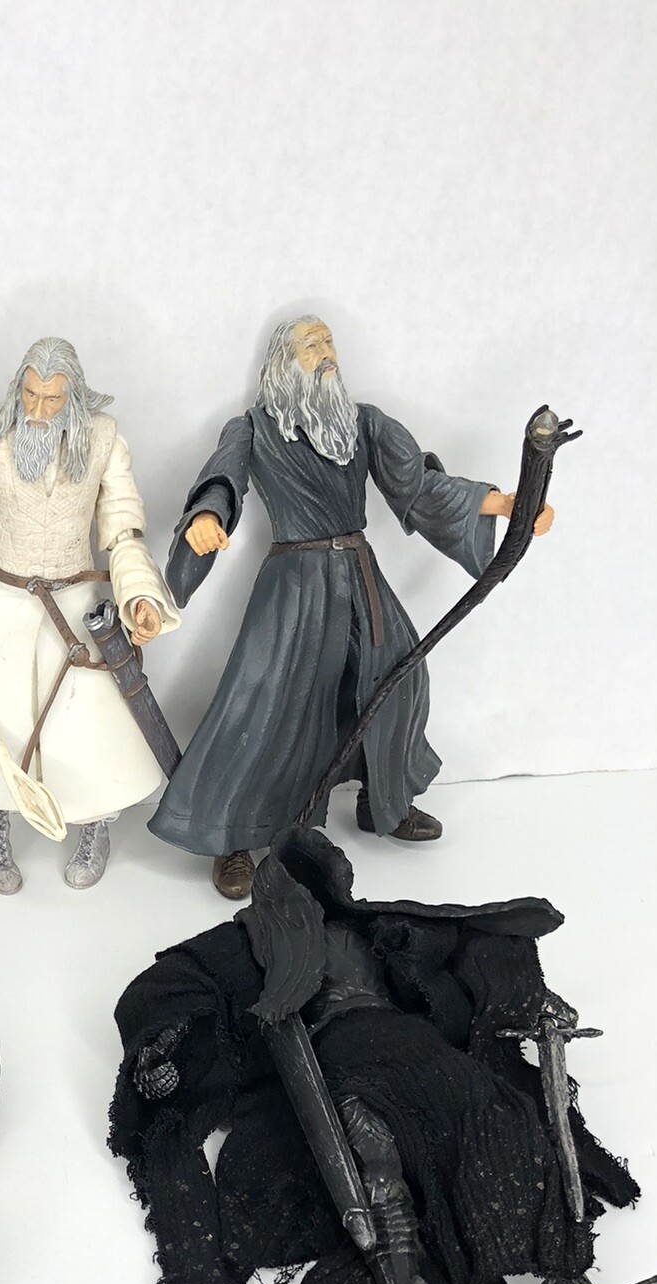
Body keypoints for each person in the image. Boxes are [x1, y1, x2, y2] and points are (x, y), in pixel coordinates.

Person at [108, 827, 657, 1284]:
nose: (310, 892)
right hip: (342, 1056)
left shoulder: (373, 928)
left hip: (414, 1044)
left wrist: (530, 998)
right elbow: (173, 986)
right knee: (376, 1155)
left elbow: (464, 954)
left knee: (503, 1124)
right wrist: (163, 1047)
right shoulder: (248, 945)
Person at [149, 316, 553, 899]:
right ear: (282, 363)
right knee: (262, 700)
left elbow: (418, 488)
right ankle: (229, 836)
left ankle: (384, 801)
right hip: (295, 585)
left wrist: (504, 505)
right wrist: (207, 518)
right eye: (309, 345)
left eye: (328, 341)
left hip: (360, 575)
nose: (325, 353)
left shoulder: (362, 424)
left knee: (399, 679)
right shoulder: (254, 428)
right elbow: (222, 479)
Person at [0, 337, 180, 891]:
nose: (37, 409)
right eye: (30, 394)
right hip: (5, 599)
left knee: (88, 720)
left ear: (72, 396)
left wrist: (139, 597)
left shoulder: (103, 440)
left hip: (74, 602)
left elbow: (122, 530)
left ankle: (94, 824)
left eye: (52, 399)